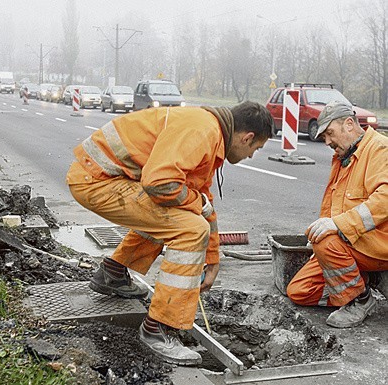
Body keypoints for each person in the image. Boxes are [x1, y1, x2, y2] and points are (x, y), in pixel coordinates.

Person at [66, 102, 273, 365]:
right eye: (256, 149)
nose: (252, 155)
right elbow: (160, 184)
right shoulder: (202, 131)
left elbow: (201, 198)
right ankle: (159, 329)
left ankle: (114, 273)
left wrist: (212, 257)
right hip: (96, 180)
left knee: (177, 215)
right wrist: (199, 208)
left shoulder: (209, 129)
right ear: (248, 137)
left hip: (100, 176)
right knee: (190, 229)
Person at [287, 100, 388, 328]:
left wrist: (336, 228)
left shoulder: (380, 148)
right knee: (299, 291)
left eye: (330, 133)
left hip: (379, 245)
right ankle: (366, 281)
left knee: (325, 240)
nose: (327, 141)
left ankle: (359, 300)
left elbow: (385, 199)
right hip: (356, 244)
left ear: (349, 124)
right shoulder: (345, 156)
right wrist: (323, 251)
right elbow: (330, 209)